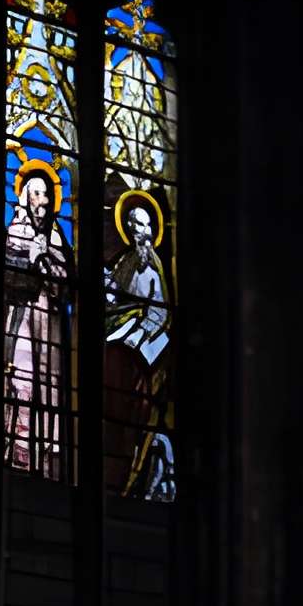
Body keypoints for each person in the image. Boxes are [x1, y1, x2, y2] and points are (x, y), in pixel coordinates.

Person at [105, 190, 176, 500]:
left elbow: (159, 312)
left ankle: (131, 470)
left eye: (145, 226)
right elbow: (114, 294)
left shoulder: (154, 265)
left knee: (128, 389)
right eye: (134, 225)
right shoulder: (127, 259)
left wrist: (138, 334)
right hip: (121, 334)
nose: (140, 232)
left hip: (146, 343)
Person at [2, 163, 69, 474]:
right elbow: (5, 274)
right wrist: (30, 260)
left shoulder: (55, 238)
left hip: (50, 325)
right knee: (21, 379)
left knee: (49, 386)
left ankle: (45, 458)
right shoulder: (15, 231)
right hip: (22, 316)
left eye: (45, 194)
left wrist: (47, 260)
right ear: (25, 198)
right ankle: (16, 453)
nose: (40, 200)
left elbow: (66, 284)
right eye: (35, 193)